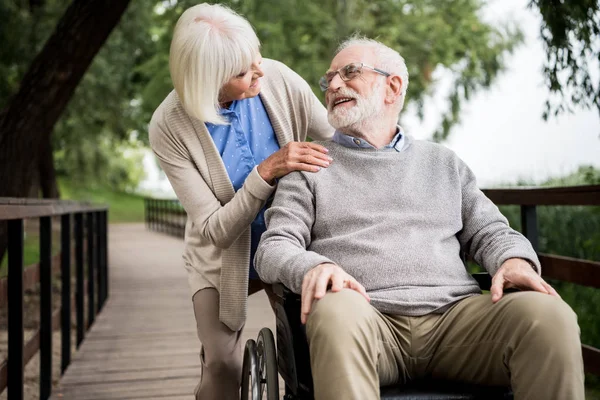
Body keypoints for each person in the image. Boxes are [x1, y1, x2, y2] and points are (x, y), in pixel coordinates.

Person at [254, 36, 584, 400]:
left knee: (549, 317)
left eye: (349, 73)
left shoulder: (443, 163)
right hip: (364, 317)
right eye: (329, 78)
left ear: (392, 87)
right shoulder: (309, 168)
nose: (333, 85)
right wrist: (311, 266)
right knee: (335, 311)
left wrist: (513, 259)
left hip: (456, 321)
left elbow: (491, 231)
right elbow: (273, 247)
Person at [148, 4, 334, 399]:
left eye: (257, 58)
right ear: (206, 80)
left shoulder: (277, 79)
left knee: (309, 352)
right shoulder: (168, 125)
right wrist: (267, 171)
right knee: (223, 365)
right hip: (222, 257)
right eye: (243, 73)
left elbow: (339, 141)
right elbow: (215, 229)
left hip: (292, 242)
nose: (259, 73)